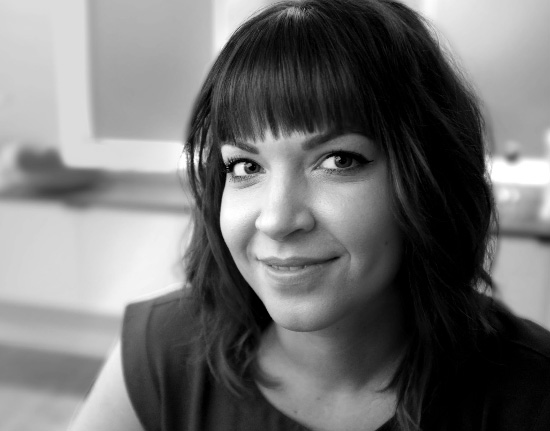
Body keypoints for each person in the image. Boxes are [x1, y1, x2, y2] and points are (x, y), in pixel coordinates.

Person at [69, 1, 550, 430]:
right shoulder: (160, 351)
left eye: (338, 160)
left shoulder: (531, 394)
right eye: (245, 166)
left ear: (429, 178)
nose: (277, 220)